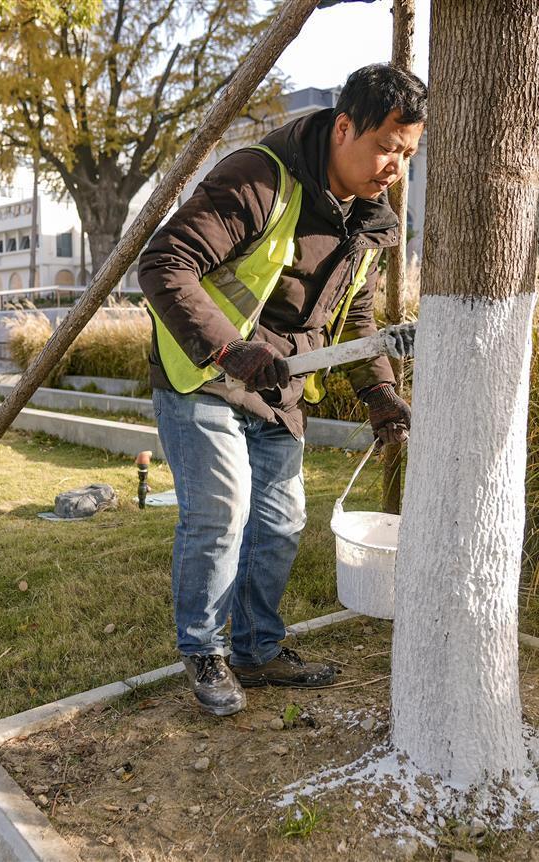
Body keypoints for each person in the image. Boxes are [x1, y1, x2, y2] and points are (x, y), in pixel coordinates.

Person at [140, 64, 425, 716]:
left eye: (407, 155)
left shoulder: (366, 222)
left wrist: (379, 393)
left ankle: (257, 651)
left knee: (279, 523)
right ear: (345, 126)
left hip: (280, 386)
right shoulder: (258, 176)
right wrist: (229, 349)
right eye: (386, 147)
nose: (395, 168)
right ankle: (205, 651)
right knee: (222, 510)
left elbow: (353, 317)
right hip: (208, 375)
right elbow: (164, 263)